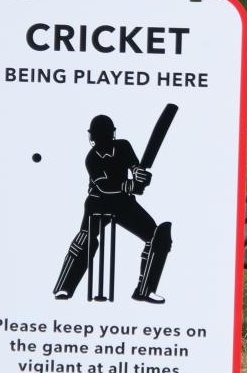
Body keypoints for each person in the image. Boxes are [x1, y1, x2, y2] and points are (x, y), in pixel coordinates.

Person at [52, 114, 172, 304]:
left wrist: (140, 175)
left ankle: (145, 290)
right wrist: (129, 185)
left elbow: (134, 166)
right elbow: (104, 186)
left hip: (123, 204)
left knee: (157, 237)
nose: (101, 139)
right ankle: (64, 288)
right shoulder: (91, 159)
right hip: (98, 203)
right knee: (85, 240)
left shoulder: (123, 146)